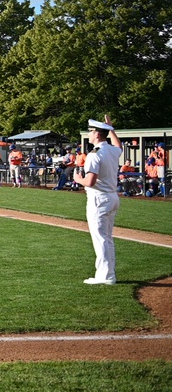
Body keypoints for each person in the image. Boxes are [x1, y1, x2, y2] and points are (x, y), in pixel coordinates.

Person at [73, 116, 122, 285]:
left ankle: (106, 276)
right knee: (107, 238)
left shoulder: (95, 155)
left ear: (97, 134)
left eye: (91, 131)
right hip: (112, 197)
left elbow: (90, 182)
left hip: (99, 198)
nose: (89, 134)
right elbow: (118, 146)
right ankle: (108, 273)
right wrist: (111, 128)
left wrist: (78, 179)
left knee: (101, 238)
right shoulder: (110, 150)